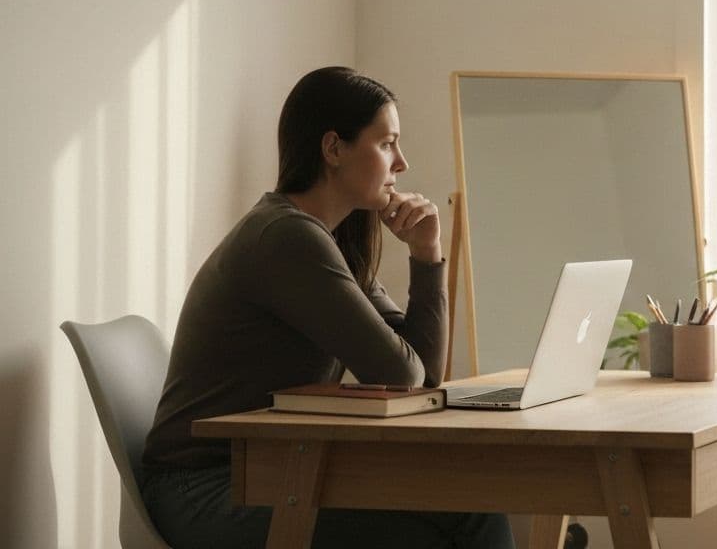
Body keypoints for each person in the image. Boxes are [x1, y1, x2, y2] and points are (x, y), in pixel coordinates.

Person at [141, 67, 514, 549]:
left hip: (270, 470)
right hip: (205, 489)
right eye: (387, 144)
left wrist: (426, 253)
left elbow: (425, 373)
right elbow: (403, 373)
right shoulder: (287, 237)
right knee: (454, 519)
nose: (402, 162)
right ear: (333, 148)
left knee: (469, 506)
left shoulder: (327, 238)